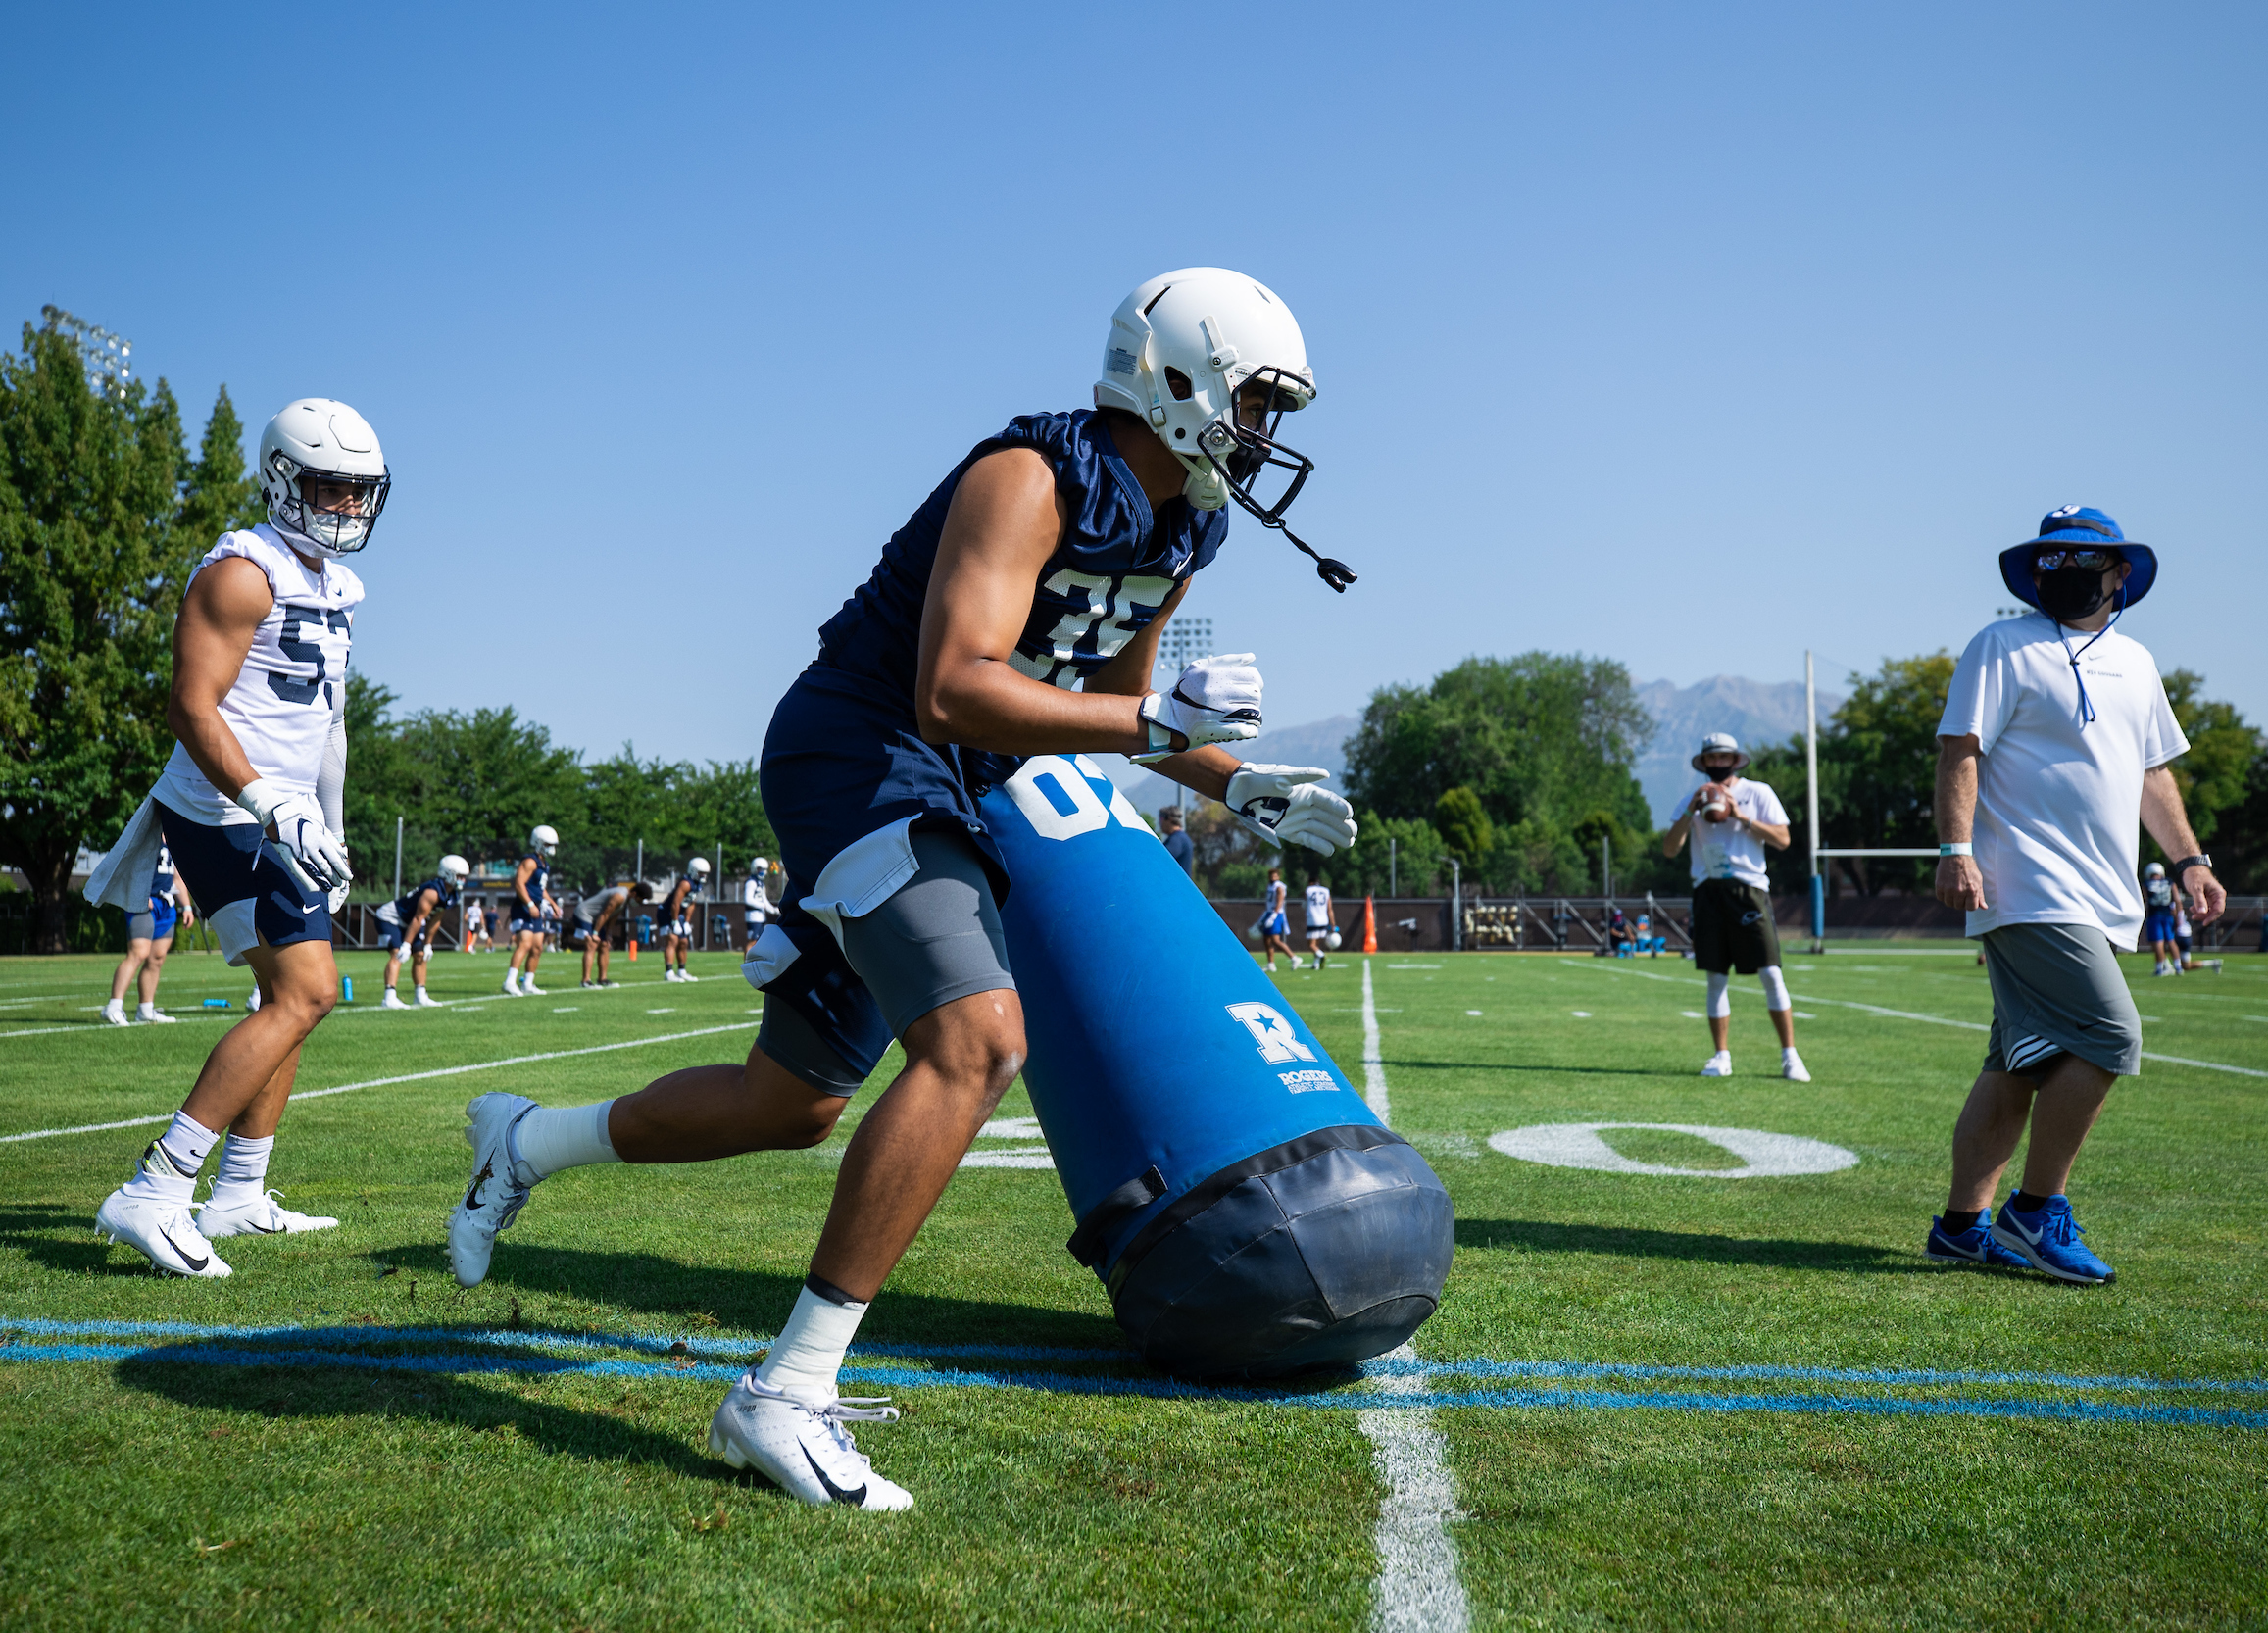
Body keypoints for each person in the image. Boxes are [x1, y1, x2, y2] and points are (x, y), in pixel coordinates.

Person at [443, 268, 1355, 1510]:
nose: (1266, 431)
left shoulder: (1186, 526)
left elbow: (1118, 718)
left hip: (954, 785)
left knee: (789, 1102)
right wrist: (1153, 716)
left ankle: (524, 1141)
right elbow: (953, 686)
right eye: (1257, 399)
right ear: (1180, 377)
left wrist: (1235, 784)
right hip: (863, 757)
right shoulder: (1027, 478)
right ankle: (786, 1392)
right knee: (979, 1043)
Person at [84, 397, 384, 1271]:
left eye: (359, 492)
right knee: (306, 992)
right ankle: (156, 1188)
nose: (346, 508)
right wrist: (269, 803)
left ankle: (239, 1195)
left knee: (289, 1002)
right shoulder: (241, 571)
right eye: (330, 488)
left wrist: (326, 816)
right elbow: (190, 705)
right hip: (222, 808)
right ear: (284, 479)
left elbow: (328, 716)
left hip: (281, 814)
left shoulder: (342, 585)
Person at [1926, 505, 2224, 1284]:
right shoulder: (2001, 644)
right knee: (2109, 1033)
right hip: (2025, 884)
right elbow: (1960, 750)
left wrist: (2189, 857)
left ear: (2119, 572)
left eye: (2082, 558)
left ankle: (1962, 1227)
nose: (2064, 571)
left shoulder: (2139, 662)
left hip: (2103, 894)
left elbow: (2153, 773)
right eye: (2050, 559)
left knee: (2019, 1065)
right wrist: (1956, 850)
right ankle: (2035, 1211)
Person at [1661, 732, 1808, 1082]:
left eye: (1723, 757)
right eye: (1711, 758)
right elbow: (1670, 849)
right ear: (1704, 762)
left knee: (1770, 972)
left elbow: (1784, 840)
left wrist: (1742, 817)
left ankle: (1790, 1057)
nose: (1717, 763)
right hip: (1708, 890)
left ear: (1735, 760)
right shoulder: (1691, 798)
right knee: (1715, 977)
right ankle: (1721, 1056)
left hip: (1749, 890)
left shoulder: (1757, 792)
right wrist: (1690, 811)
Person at [103, 845, 192, 1026]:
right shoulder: (144, 835)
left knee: (156, 957)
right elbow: (126, 867)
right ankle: (113, 1006)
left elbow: (177, 877)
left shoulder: (173, 836)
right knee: (138, 953)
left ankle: (145, 1009)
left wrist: (187, 906)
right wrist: (139, 893)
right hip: (143, 901)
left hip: (165, 903)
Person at [376, 857, 468, 1008]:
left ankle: (420, 995)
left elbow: (436, 919)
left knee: (420, 955)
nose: (463, 880)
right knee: (398, 953)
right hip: (391, 917)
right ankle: (389, 997)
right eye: (459, 876)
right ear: (447, 874)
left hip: (410, 921)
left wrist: (428, 945)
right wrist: (406, 944)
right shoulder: (432, 892)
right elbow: (418, 918)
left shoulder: (452, 894)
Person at [502, 826, 558, 997]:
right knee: (525, 943)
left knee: (537, 947)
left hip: (536, 908)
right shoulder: (530, 862)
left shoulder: (543, 864)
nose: (551, 848)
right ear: (539, 843)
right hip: (523, 907)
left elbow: (540, 889)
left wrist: (553, 904)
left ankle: (528, 983)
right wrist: (530, 904)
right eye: (548, 844)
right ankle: (509, 982)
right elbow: (519, 884)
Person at [571, 879, 650, 988]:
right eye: (639, 900)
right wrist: (595, 933)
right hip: (584, 913)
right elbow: (605, 914)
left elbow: (613, 916)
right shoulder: (620, 896)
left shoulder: (625, 899)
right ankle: (585, 981)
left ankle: (602, 979)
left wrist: (608, 934)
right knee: (592, 944)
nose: (639, 903)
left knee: (604, 945)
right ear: (635, 894)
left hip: (596, 918)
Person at [661, 858, 711, 982]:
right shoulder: (685, 883)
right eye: (701, 873)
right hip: (668, 913)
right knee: (673, 940)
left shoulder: (697, 885)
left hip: (680, 914)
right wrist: (675, 921)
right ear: (693, 871)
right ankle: (669, 972)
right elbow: (675, 903)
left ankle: (682, 971)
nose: (703, 876)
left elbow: (691, 903)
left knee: (684, 942)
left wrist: (687, 921)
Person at [2143, 862, 2184, 975]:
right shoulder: (2169, 882)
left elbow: (2144, 901)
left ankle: (2160, 968)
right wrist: (2179, 917)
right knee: (2171, 941)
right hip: (2168, 915)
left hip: (2155, 916)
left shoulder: (2147, 883)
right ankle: (2178, 966)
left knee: (2158, 942)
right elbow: (2177, 900)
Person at [1258, 866, 1299, 973]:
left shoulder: (1279, 886)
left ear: (1278, 877)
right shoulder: (1269, 885)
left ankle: (1294, 958)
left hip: (1276, 914)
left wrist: (1274, 915)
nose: (1273, 878)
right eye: (1271, 876)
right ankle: (1271, 964)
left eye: (1275, 876)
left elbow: (1280, 901)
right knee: (1266, 939)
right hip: (1269, 913)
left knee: (1275, 940)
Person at [741, 857, 774, 953]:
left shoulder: (760, 883)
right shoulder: (751, 882)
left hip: (760, 916)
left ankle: (756, 963)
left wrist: (774, 910)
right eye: (760, 869)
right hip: (753, 916)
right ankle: (747, 964)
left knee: (760, 942)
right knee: (752, 941)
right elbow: (748, 899)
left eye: (764, 869)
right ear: (755, 869)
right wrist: (762, 905)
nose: (762, 872)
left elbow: (765, 900)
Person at [1302, 870, 1334, 969]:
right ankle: (1315, 964)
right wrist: (1333, 923)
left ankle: (1321, 955)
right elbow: (1330, 908)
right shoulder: (1325, 890)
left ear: (1310, 883)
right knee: (1317, 944)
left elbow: (1304, 904)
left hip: (1313, 919)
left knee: (1311, 944)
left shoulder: (1308, 890)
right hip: (1324, 919)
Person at [1159, 806, 1194, 879]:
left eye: (1161, 819)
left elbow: (1161, 859)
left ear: (1169, 819)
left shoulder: (1177, 840)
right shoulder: (1182, 838)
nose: (1159, 823)